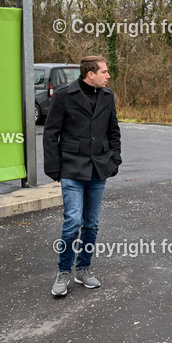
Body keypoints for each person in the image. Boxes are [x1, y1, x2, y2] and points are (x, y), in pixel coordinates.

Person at [44, 56, 121, 297]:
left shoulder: (107, 97)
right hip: (72, 169)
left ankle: (83, 268)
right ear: (90, 73)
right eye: (105, 72)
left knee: (91, 223)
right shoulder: (65, 95)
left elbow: (113, 131)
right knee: (73, 223)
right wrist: (54, 169)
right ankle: (63, 271)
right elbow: (50, 133)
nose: (108, 76)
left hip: (99, 169)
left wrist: (114, 159)